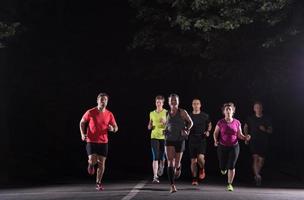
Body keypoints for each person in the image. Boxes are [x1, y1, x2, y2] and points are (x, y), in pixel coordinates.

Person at [79, 93, 118, 191]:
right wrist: (82, 134)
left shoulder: (109, 114)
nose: (103, 101)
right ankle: (91, 164)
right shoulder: (90, 112)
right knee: (93, 159)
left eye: (105, 100)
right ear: (97, 101)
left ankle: (98, 183)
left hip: (104, 142)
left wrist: (112, 128)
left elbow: (116, 128)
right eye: (101, 99)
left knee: (102, 163)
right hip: (91, 140)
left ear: (107, 102)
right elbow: (82, 122)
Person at [213, 102, 251, 192]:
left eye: (230, 109)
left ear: (233, 111)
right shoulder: (220, 122)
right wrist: (215, 140)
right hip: (222, 146)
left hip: (234, 146)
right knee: (222, 167)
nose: (228, 110)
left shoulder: (237, 122)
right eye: (226, 109)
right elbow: (215, 133)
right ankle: (223, 169)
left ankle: (229, 184)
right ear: (224, 112)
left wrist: (246, 137)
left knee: (231, 165)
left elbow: (240, 135)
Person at [164, 94, 193, 193]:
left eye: (175, 100)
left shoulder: (182, 112)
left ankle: (178, 167)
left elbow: (191, 122)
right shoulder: (166, 113)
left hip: (180, 140)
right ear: (168, 102)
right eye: (171, 100)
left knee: (176, 164)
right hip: (169, 140)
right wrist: (164, 130)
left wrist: (187, 130)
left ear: (178, 101)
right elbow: (165, 125)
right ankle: (172, 186)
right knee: (170, 162)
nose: (173, 102)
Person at [244, 101, 272, 186]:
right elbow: (245, 126)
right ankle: (257, 176)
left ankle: (256, 176)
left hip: (263, 141)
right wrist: (246, 136)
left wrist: (265, 130)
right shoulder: (250, 118)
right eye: (256, 107)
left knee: (261, 160)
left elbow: (271, 130)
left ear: (262, 108)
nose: (258, 109)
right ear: (254, 109)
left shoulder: (267, 118)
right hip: (253, 141)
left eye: (259, 107)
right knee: (255, 158)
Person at [189, 99, 212, 186]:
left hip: (201, 139)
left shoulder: (205, 115)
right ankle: (194, 179)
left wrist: (208, 131)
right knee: (193, 161)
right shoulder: (189, 115)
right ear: (192, 105)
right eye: (194, 104)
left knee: (200, 158)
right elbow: (185, 125)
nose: (196, 105)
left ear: (200, 105)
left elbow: (209, 124)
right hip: (192, 139)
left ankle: (202, 168)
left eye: (197, 104)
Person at [147, 95, 167, 183]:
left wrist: (165, 123)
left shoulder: (166, 112)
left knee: (161, 156)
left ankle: (162, 163)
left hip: (164, 137)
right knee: (155, 157)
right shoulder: (151, 113)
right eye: (157, 102)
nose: (158, 104)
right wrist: (150, 126)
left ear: (163, 103)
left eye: (160, 102)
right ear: (155, 103)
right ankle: (155, 176)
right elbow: (149, 126)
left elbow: (170, 126)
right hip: (154, 136)